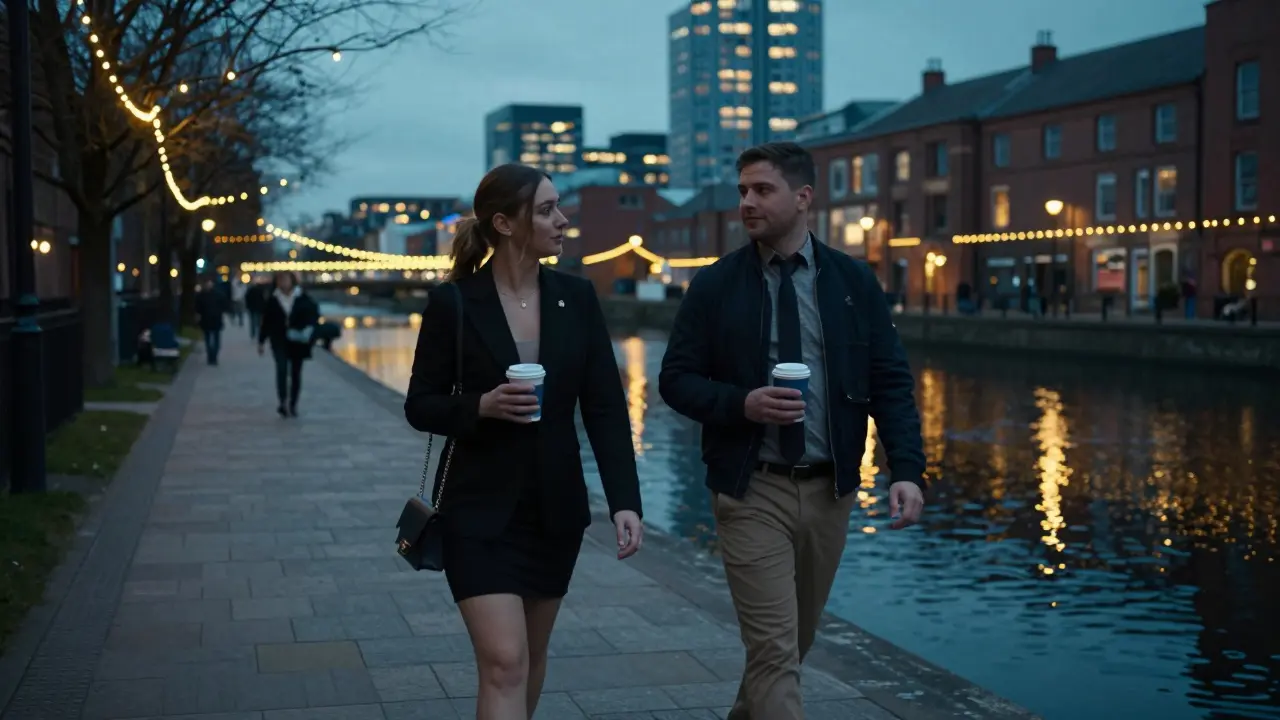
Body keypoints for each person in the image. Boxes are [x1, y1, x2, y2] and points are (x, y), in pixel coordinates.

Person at [658, 142, 927, 720]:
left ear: (803, 197)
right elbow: (676, 381)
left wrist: (906, 469)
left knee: (790, 647)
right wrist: (742, 403)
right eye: (742, 192)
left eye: (762, 190)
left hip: (831, 490)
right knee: (775, 651)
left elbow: (890, 382)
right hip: (751, 487)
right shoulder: (714, 285)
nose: (747, 203)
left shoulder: (853, 282)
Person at [405, 163, 644, 720]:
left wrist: (624, 501)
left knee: (531, 659)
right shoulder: (455, 303)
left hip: (555, 512)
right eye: (546, 210)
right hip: (477, 512)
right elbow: (421, 405)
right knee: (505, 661)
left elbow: (606, 408)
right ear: (505, 224)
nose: (562, 221)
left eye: (559, 208)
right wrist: (480, 406)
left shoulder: (577, 298)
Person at [257, 271, 319, 417]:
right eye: (280, 280)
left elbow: (313, 315)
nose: (283, 283)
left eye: (285, 280)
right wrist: (261, 341)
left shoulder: (303, 298)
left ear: (292, 281)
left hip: (297, 340)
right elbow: (266, 321)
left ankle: (293, 403)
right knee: (281, 369)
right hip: (278, 339)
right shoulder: (273, 299)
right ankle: (283, 402)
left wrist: (308, 331)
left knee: (296, 373)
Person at [194, 278, 229, 366]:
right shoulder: (218, 295)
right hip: (213, 319)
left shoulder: (202, 295)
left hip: (209, 320)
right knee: (213, 339)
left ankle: (211, 356)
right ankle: (212, 356)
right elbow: (224, 306)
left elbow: (198, 308)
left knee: (210, 339)